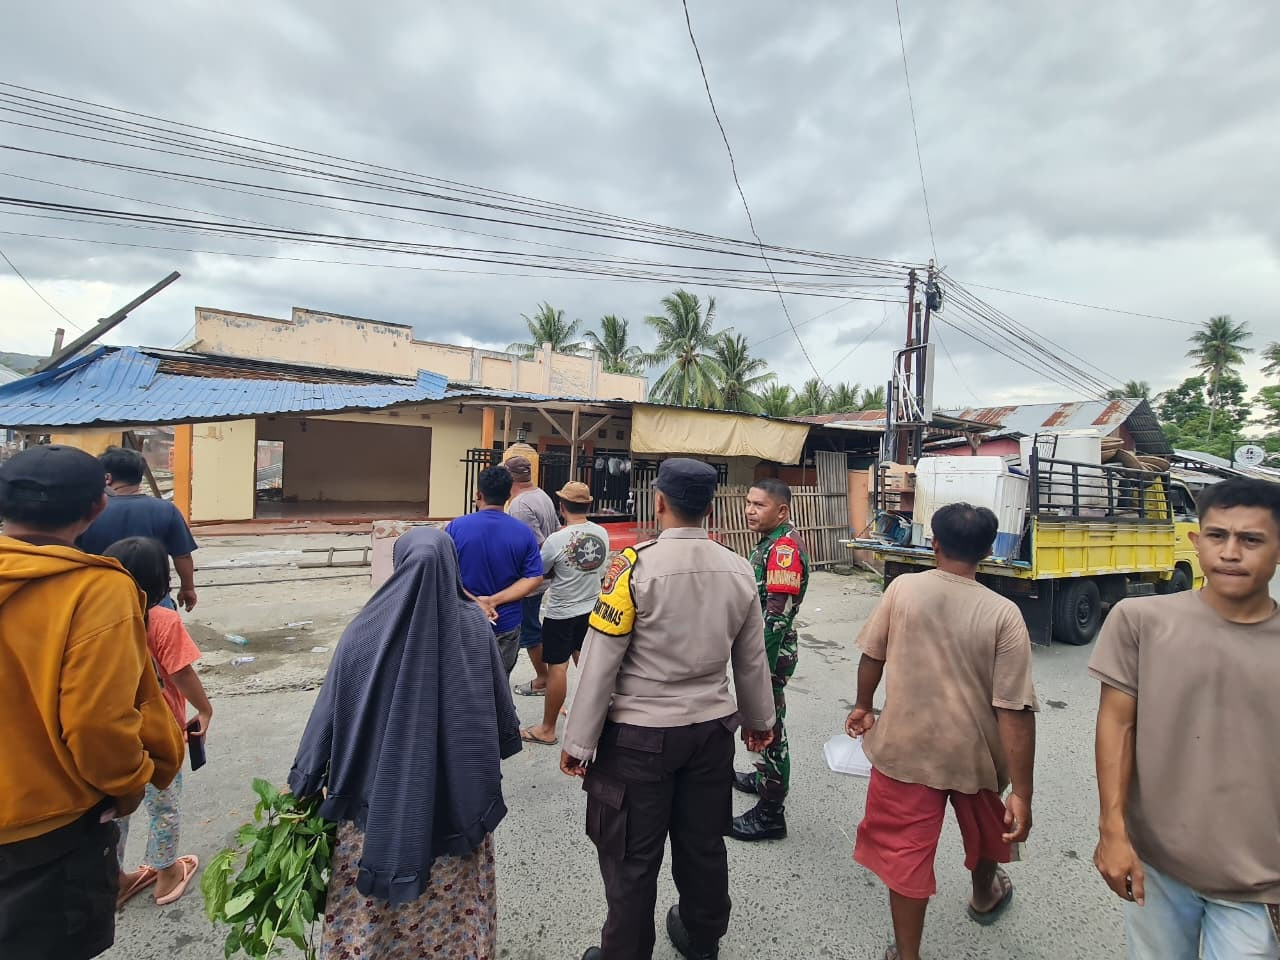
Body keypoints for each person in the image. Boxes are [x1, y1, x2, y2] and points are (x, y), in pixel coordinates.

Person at [561, 458, 776, 960]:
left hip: (640, 739)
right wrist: (759, 722)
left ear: (659, 502)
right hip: (711, 733)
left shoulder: (633, 567)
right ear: (710, 508)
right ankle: (702, 939)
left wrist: (578, 742)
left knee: (631, 857)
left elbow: (600, 661)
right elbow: (751, 659)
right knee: (703, 844)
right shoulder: (739, 568)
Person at [290, 527, 522, 959]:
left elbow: (330, 710)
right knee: (454, 908)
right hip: (457, 807)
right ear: (452, 567)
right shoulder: (473, 627)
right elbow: (496, 709)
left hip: (376, 811)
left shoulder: (364, 630)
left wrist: (305, 777)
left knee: (372, 919)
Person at [0, 444, 185, 960]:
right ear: (97, 506)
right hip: (50, 827)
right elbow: (97, 722)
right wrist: (129, 785)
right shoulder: (96, 590)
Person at [1090, 477, 1280, 959]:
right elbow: (1116, 725)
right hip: (1156, 864)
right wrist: (1112, 830)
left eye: (1251, 539)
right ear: (1196, 540)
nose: (1230, 553)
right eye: (1217, 536)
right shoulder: (1140, 620)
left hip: (1259, 883)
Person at [846, 502, 1038, 960]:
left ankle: (907, 954)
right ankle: (985, 895)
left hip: (905, 752)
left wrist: (863, 705)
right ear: (988, 551)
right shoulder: (1004, 613)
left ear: (933, 543)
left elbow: (873, 654)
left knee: (904, 855)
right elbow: (1015, 709)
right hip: (978, 757)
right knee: (988, 831)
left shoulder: (903, 589)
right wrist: (1022, 793)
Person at [105, 536, 213, 908]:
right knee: (163, 805)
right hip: (160, 733)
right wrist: (205, 710)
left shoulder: (99, 621)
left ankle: (115, 880)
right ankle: (166, 874)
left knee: (115, 810)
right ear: (161, 581)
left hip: (115, 733)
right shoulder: (163, 620)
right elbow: (181, 673)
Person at [731, 477, 810, 842]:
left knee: (770, 727)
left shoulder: (783, 550)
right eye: (748, 502)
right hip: (763, 649)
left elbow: (776, 618)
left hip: (771, 653)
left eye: (759, 505)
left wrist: (757, 669)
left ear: (781, 511)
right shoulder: (769, 541)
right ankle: (764, 776)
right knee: (767, 722)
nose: (750, 510)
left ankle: (770, 813)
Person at [520, 480, 610, 747]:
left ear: (562, 507)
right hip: (591, 607)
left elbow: (540, 571)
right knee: (587, 664)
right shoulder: (602, 533)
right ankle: (598, 719)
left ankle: (547, 729)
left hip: (561, 612)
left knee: (557, 667)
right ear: (588, 505)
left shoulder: (556, 540)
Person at [445, 464, 545, 674]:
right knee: (499, 682)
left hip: (464, 620)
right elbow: (534, 577)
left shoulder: (455, 528)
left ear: (478, 495)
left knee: (463, 683)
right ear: (508, 496)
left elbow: (444, 574)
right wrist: (493, 601)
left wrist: (476, 601)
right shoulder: (523, 533)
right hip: (506, 622)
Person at [78, 446, 200, 611]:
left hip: (101, 596)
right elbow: (182, 555)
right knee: (161, 628)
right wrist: (188, 588)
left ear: (107, 478)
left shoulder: (89, 510)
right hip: (153, 598)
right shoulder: (165, 509)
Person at [503, 454, 560, 697]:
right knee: (530, 625)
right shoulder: (541, 495)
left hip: (529, 577)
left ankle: (543, 678)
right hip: (541, 574)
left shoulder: (519, 505)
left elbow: (532, 544)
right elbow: (555, 532)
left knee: (528, 629)